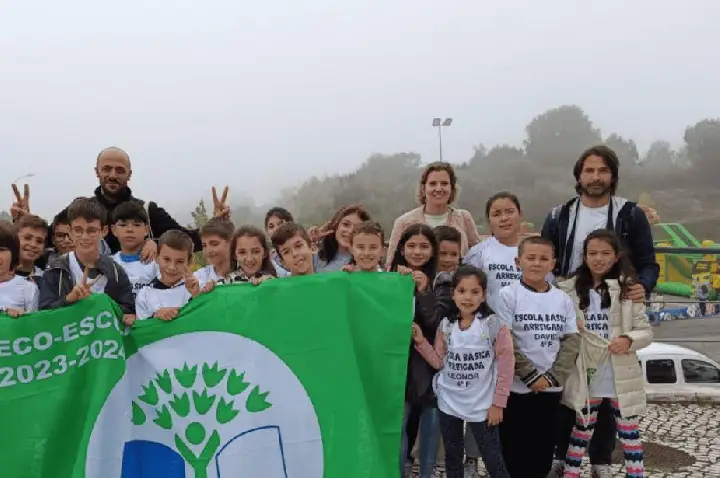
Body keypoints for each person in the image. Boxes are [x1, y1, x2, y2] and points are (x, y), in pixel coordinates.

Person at [540, 145, 658, 477]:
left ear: (613, 176)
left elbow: (648, 263)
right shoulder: (559, 215)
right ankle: (561, 456)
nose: (595, 177)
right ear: (578, 175)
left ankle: (603, 460)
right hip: (570, 304)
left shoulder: (629, 213)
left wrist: (641, 286)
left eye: (602, 170)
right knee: (570, 387)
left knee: (609, 390)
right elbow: (547, 261)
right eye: (589, 170)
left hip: (614, 306)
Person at [558, 230, 651, 478]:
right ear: (584, 256)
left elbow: (645, 330)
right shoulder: (569, 290)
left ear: (616, 256)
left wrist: (627, 339)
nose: (599, 259)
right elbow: (557, 325)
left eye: (605, 253)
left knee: (629, 431)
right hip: (587, 369)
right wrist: (569, 326)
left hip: (619, 371)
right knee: (582, 427)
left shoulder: (628, 291)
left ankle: (636, 473)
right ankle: (571, 472)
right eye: (592, 253)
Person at [413, 265, 512, 478]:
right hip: (449, 402)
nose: (467, 297)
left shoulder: (494, 326)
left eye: (474, 292)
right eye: (461, 291)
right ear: (453, 294)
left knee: (493, 458)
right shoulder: (446, 325)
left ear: (484, 295)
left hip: (483, 405)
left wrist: (498, 404)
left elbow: (506, 369)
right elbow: (440, 362)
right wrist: (421, 342)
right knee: (453, 455)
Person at [495, 236, 580, 478]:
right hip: (516, 387)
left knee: (542, 449)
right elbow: (505, 339)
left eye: (543, 259)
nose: (536, 263)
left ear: (553, 263)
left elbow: (571, 341)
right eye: (530, 258)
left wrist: (552, 378)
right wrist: (530, 376)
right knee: (512, 448)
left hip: (550, 389)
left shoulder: (562, 299)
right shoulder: (507, 295)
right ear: (517, 261)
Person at [90, 147, 230, 257]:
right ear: (97, 172)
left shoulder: (147, 211)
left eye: (120, 170)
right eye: (107, 169)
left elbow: (186, 241)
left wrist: (215, 224)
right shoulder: (83, 213)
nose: (113, 175)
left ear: (129, 174)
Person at [389, 223, 441, 478]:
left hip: (430, 364)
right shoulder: (388, 279)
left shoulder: (442, 282)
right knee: (398, 426)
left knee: (430, 427)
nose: (417, 252)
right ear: (400, 249)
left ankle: (427, 473)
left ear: (433, 251)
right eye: (411, 246)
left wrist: (423, 292)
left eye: (424, 246)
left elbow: (436, 322)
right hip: (398, 364)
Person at [39, 198, 135, 323]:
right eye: (78, 230)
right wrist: (69, 300)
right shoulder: (55, 270)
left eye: (92, 231)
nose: (84, 237)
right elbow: (43, 315)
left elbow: (129, 310)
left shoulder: (116, 271)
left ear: (104, 231)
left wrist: (100, 302)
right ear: (70, 231)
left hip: (104, 341)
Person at [387, 161, 480, 263]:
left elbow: (477, 258)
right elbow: (391, 264)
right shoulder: (403, 222)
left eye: (444, 183)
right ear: (423, 188)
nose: (439, 189)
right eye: (432, 184)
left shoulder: (464, 218)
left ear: (452, 188)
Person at [464, 192, 524, 313]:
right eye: (496, 214)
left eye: (510, 211)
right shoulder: (478, 253)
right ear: (489, 221)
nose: (504, 218)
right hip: (490, 326)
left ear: (520, 214)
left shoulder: (535, 251)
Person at [135, 230, 203, 321]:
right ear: (156, 257)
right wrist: (155, 317)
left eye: (180, 262)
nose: (172, 267)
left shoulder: (199, 285)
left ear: (189, 262)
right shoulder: (144, 295)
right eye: (166, 259)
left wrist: (196, 295)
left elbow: (207, 320)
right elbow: (141, 331)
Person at [111, 202, 160, 296]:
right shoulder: (109, 264)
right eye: (123, 225)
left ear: (147, 230)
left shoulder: (157, 262)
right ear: (114, 230)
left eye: (136, 225)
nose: (129, 229)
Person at [314, 204, 371, 273]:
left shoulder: (367, 262)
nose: (350, 231)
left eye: (357, 228)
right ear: (336, 225)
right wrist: (308, 240)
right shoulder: (317, 256)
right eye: (346, 224)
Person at [0, 221, 38, 317]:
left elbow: (36, 327)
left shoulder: (28, 289)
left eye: (1, 250)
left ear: (14, 253)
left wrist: (22, 319)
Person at [194, 218, 235, 288]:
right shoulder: (199, 278)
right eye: (204, 245)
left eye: (214, 244)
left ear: (230, 243)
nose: (208, 251)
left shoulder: (247, 274)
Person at [13, 214, 48, 282]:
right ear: (14, 239)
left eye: (39, 241)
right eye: (27, 238)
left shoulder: (46, 279)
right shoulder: (3, 275)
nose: (33, 245)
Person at [264, 207, 294, 277]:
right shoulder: (266, 259)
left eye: (280, 224)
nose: (276, 229)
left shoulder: (307, 251)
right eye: (271, 226)